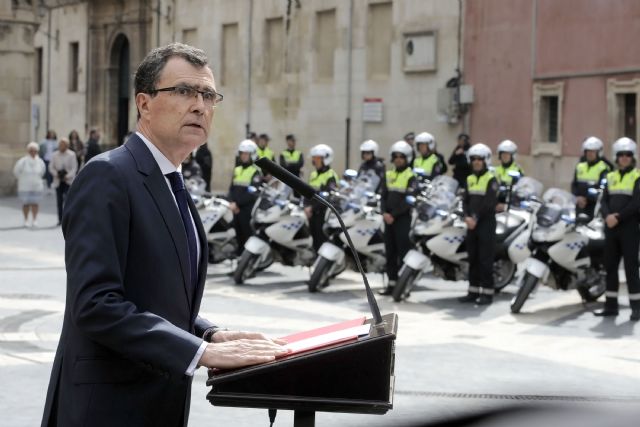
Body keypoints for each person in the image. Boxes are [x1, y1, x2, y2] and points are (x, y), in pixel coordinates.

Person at [40, 43, 287, 427]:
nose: (200, 106)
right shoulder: (108, 176)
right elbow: (96, 304)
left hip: (159, 401)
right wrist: (199, 351)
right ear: (144, 103)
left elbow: (153, 295)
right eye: (185, 91)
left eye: (208, 95)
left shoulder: (172, 180)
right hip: (107, 407)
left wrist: (210, 333)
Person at [595, 137, 640, 321]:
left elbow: (636, 204)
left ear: (633, 157)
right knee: (610, 268)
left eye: (627, 155)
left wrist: (617, 217)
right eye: (621, 155)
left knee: (631, 269)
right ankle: (610, 306)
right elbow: (603, 200)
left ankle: (636, 308)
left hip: (629, 228)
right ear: (616, 157)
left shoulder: (637, 176)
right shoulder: (609, 177)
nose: (624, 158)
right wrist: (607, 216)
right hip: (611, 228)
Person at [459, 143, 499, 305]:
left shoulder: (491, 179)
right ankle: (473, 291)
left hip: (485, 223)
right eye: (474, 159)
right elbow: (465, 201)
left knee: (485, 259)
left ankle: (487, 294)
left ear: (486, 161)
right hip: (471, 224)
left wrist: (474, 218)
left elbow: (489, 203)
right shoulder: (469, 179)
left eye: (479, 159)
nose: (476, 162)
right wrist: (467, 216)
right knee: (473, 258)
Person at [378, 141, 417, 296]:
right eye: (396, 156)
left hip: (402, 219)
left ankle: (403, 286)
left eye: (402, 157)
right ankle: (391, 284)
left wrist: (393, 215)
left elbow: (409, 200)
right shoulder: (388, 174)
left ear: (407, 158)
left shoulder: (411, 176)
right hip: (388, 219)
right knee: (390, 253)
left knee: (403, 252)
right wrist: (384, 213)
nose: (398, 159)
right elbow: (383, 196)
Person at [229, 140, 263, 253]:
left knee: (247, 234)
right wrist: (231, 202)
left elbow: (252, 193)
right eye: (242, 153)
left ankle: (246, 260)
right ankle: (239, 259)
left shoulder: (256, 172)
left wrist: (237, 204)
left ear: (252, 155)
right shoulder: (237, 169)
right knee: (238, 234)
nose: (243, 156)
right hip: (235, 209)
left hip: (247, 209)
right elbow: (231, 188)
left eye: (246, 153)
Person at [304, 144, 338, 251]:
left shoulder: (331, 175)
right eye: (314, 159)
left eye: (318, 158)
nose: (315, 161)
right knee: (314, 241)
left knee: (321, 240)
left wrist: (312, 208)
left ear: (326, 159)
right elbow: (306, 192)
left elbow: (328, 198)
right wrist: (306, 206)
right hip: (311, 214)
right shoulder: (313, 175)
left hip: (322, 214)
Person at [571, 136, 611, 219]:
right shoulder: (580, 166)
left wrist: (586, 198)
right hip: (579, 204)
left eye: (593, 151)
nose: (589, 154)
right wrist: (577, 197)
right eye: (587, 151)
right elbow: (574, 184)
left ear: (598, 153)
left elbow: (602, 189)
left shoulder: (603, 168)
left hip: (594, 205)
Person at [13, 142, 46, 227]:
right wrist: (23, 179)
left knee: (35, 203)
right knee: (26, 204)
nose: (33, 152)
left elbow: (42, 172)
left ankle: (35, 220)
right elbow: (16, 172)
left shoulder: (40, 161)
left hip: (36, 186)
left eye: (34, 150)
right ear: (28, 151)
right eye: (31, 150)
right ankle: (26, 220)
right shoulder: (22, 161)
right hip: (25, 186)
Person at [49, 138, 78, 225]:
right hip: (58, 180)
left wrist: (67, 176)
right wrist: (56, 174)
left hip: (68, 181)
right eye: (60, 145)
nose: (61, 146)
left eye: (63, 145)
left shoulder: (72, 154)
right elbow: (51, 167)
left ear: (67, 145)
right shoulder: (54, 155)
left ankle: (68, 219)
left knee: (67, 200)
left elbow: (74, 168)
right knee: (59, 201)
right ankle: (60, 219)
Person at [494, 139, 524, 210]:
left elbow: (520, 189)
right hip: (494, 203)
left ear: (512, 156)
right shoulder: (496, 170)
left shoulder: (517, 170)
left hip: (509, 204)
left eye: (507, 154)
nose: (504, 156)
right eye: (503, 154)